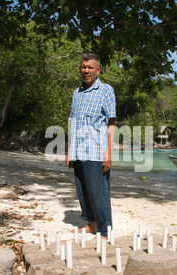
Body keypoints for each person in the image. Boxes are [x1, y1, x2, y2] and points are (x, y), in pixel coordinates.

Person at [66, 53, 116, 238]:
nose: (86, 71)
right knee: (83, 190)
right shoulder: (76, 93)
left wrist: (109, 152)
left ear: (98, 70)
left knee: (98, 192)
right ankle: (92, 225)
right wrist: (69, 150)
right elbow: (73, 122)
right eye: (83, 67)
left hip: (96, 151)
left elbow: (110, 123)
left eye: (90, 67)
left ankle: (105, 230)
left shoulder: (105, 90)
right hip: (78, 150)